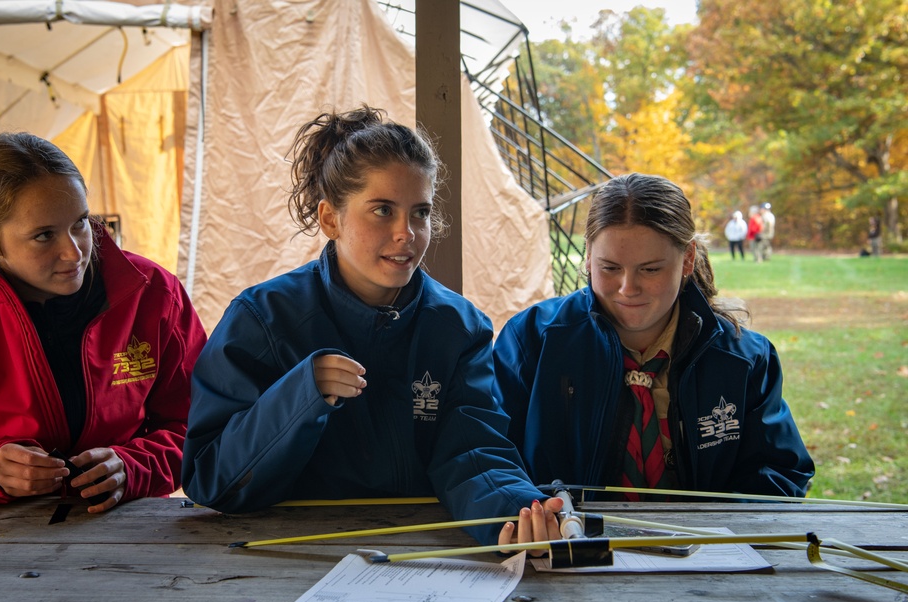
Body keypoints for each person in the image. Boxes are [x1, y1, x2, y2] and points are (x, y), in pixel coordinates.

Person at [182, 106, 561, 546]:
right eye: (382, 210)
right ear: (330, 219)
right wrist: (303, 394)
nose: (407, 232)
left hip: (420, 553)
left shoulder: (458, 327)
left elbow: (473, 450)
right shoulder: (263, 319)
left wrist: (515, 513)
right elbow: (211, 479)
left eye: (420, 212)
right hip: (289, 556)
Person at [0, 132, 207, 511]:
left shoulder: (152, 293)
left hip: (131, 532)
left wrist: (134, 467)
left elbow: (202, 427)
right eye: (44, 235)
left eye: (81, 222)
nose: (74, 251)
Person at [493, 173, 814, 502]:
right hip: (569, 544)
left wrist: (720, 527)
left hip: (704, 549)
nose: (628, 288)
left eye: (650, 269)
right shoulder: (532, 341)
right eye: (610, 268)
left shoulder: (744, 361)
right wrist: (531, 508)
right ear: (588, 255)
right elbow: (490, 457)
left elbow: (780, 473)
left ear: (687, 259)